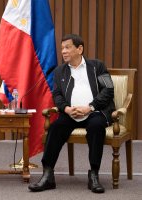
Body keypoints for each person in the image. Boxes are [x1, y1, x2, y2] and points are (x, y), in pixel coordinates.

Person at [28, 34, 115, 193]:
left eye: (67, 47)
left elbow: (108, 90)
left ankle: (94, 174)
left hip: (94, 112)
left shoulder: (97, 66)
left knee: (96, 127)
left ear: (80, 49)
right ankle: (48, 175)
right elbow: (57, 95)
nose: (64, 51)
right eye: (62, 48)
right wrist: (67, 109)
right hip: (71, 114)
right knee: (55, 128)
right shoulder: (60, 71)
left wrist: (90, 107)